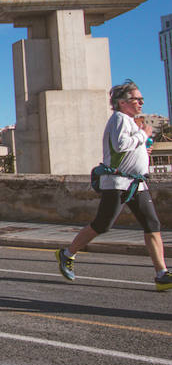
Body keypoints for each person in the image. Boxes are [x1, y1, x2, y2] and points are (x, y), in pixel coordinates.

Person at [56, 80, 172, 292]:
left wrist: (143, 151)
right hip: (118, 183)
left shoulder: (130, 121)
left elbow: (129, 148)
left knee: (152, 225)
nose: (141, 103)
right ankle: (67, 253)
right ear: (121, 102)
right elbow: (120, 146)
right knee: (102, 224)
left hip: (137, 183)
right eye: (136, 99)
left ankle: (161, 274)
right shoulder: (119, 119)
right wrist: (143, 135)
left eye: (141, 99)